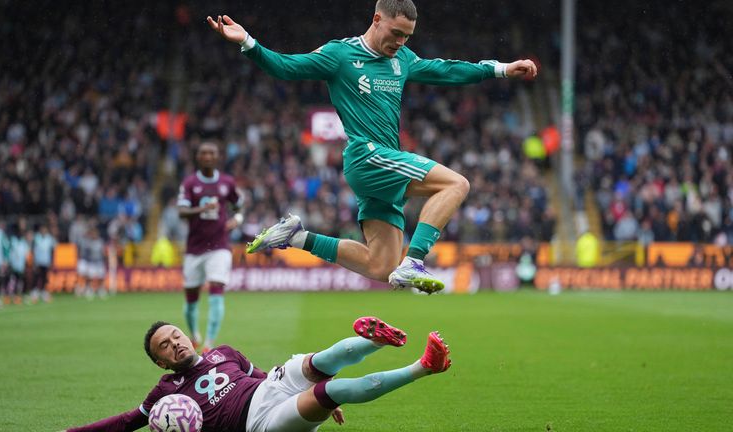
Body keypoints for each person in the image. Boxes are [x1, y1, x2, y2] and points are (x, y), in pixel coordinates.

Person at [207, 0, 538, 294]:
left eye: (407, 36)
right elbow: (285, 67)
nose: (401, 42)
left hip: (383, 166)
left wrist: (501, 69)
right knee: (456, 184)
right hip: (368, 156)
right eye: (396, 33)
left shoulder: (402, 59)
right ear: (377, 19)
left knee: (381, 266)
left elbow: (446, 70)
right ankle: (415, 261)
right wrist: (248, 42)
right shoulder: (340, 55)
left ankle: (296, 237)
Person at [65, 316, 451, 432]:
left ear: (186, 335)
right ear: (161, 363)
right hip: (260, 422)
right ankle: (422, 366)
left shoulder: (224, 352)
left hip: (270, 386)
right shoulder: (166, 394)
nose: (175, 344)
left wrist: (294, 381)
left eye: (176, 335)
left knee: (315, 363)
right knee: (332, 392)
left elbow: (264, 376)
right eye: (164, 346)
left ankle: (378, 341)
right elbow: (127, 422)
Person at [177, 141, 244, 353]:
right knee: (191, 300)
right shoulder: (190, 183)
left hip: (219, 246)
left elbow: (239, 204)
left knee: (216, 289)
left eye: (211, 153)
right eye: (203, 153)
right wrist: (202, 208)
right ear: (198, 157)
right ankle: (195, 335)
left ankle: (208, 344)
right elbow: (182, 212)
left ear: (217, 157)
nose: (207, 156)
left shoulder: (227, 182)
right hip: (194, 248)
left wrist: (238, 219)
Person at [32, 223, 56, 303]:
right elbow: (33, 250)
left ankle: (44, 292)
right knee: (36, 277)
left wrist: (52, 261)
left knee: (45, 277)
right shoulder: (36, 238)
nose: (43, 231)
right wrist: (34, 261)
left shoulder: (50, 239)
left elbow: (52, 251)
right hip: (38, 261)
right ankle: (35, 292)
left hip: (46, 261)